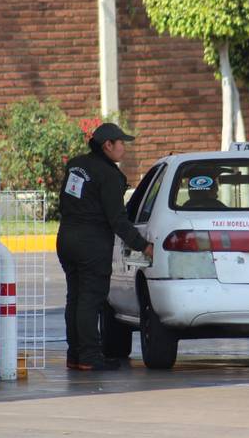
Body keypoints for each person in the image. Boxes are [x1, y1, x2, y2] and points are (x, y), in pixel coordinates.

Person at [57, 123, 154, 371]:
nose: (124, 148)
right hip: (91, 243)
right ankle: (89, 357)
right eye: (121, 143)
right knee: (91, 300)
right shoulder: (109, 175)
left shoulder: (76, 164)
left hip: (66, 238)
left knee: (76, 298)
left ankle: (75, 355)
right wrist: (143, 245)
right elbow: (118, 220)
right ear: (107, 145)